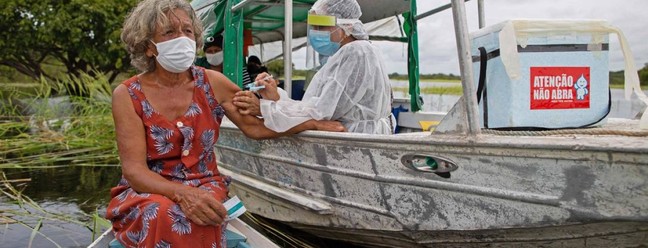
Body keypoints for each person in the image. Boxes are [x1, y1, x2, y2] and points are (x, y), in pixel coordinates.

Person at [106, 0, 344, 247]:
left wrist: (310, 124)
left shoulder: (212, 82)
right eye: (169, 32)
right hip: (151, 189)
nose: (182, 38)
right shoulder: (128, 95)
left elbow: (254, 126)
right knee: (164, 213)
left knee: (199, 215)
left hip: (204, 182)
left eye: (187, 31)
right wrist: (182, 193)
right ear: (148, 46)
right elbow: (134, 171)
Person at [233, 0, 394, 134]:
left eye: (322, 27)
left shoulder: (355, 52)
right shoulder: (352, 52)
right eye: (314, 27)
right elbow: (315, 107)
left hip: (356, 139)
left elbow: (320, 114)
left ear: (347, 26)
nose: (316, 33)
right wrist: (276, 97)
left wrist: (264, 108)